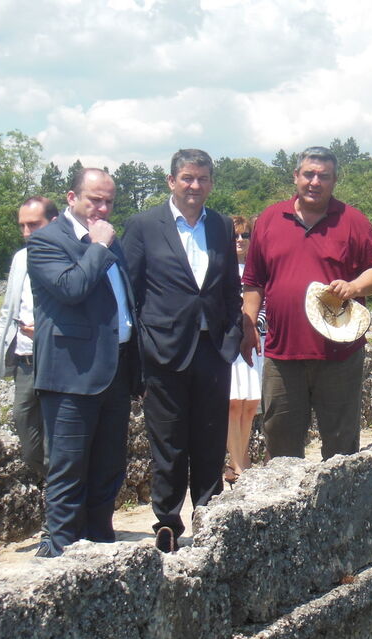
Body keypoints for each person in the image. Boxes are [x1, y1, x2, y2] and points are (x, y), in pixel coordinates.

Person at [122, 149, 242, 554]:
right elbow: (131, 291)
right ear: (172, 181)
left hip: (212, 347)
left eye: (203, 179)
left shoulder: (222, 225)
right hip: (164, 350)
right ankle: (168, 522)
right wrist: (141, 348)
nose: (195, 186)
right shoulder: (143, 225)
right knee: (169, 442)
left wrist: (234, 331)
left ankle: (209, 517)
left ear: (211, 182)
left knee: (210, 438)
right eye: (188, 178)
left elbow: (228, 287)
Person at [240, 146, 372, 461]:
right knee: (280, 447)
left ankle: (341, 509)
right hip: (282, 354)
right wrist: (248, 324)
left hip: (340, 353)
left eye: (324, 176)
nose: (315, 182)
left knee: (340, 447)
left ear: (335, 181)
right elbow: (253, 280)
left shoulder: (353, 221)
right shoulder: (270, 218)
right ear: (296, 176)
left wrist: (354, 285)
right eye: (309, 174)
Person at [26, 168, 139, 558]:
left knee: (108, 468)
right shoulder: (45, 242)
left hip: (115, 370)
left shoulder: (109, 239)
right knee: (68, 470)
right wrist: (99, 247)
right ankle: (60, 555)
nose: (102, 208)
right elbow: (71, 289)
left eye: (109, 201)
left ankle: (100, 547)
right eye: (94, 200)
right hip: (71, 375)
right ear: (72, 198)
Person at [0, 197, 58, 481]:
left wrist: (45, 329)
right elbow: (8, 314)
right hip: (25, 363)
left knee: (55, 446)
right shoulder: (20, 259)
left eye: (34, 224)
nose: (26, 232)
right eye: (22, 225)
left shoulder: (70, 256)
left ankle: (63, 518)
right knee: (30, 445)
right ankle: (64, 503)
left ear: (53, 223)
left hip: (58, 362)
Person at [225, 215, 262, 485]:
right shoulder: (223, 268)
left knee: (250, 403)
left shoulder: (256, 269)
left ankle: (242, 457)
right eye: (235, 236)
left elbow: (266, 303)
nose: (240, 240)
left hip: (255, 338)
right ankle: (235, 463)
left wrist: (256, 323)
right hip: (228, 338)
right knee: (233, 403)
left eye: (245, 236)